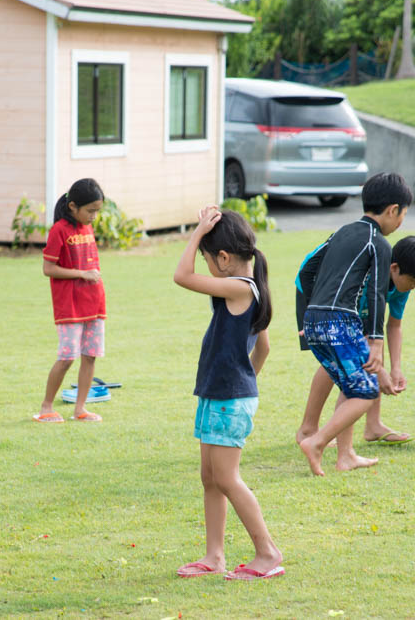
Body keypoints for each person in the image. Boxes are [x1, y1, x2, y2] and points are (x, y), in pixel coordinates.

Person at [173, 207, 283, 581]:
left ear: (222, 257)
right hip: (220, 394)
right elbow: (263, 349)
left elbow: (181, 276)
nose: (204, 264)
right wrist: (244, 383)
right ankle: (214, 556)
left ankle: (267, 552)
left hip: (228, 399)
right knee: (211, 477)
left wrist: (198, 231)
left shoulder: (240, 288)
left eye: (207, 256)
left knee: (227, 477)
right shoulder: (249, 289)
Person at [297, 173, 413, 476]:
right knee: (365, 390)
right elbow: (376, 294)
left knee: (351, 385)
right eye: (403, 214)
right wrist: (375, 342)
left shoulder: (342, 232)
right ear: (392, 210)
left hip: (316, 319)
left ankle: (346, 454)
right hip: (339, 321)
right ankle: (317, 442)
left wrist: (312, 312)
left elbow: (308, 269)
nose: (401, 220)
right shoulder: (379, 243)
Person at [295, 235, 415, 452]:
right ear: (394, 268)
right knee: (338, 357)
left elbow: (393, 326)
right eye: (413, 280)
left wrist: (396, 368)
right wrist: (380, 371)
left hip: (343, 308)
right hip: (316, 293)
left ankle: (373, 426)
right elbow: (356, 339)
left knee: (364, 355)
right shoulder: (366, 279)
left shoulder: (401, 286)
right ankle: (308, 428)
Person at [35, 178, 107, 423]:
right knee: (67, 357)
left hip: (94, 302)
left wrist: (90, 278)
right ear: (73, 206)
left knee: (90, 355)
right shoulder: (59, 231)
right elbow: (48, 268)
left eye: (97, 211)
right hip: (70, 306)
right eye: (90, 211)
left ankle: (80, 409)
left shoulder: (87, 227)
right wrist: (81, 274)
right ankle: (46, 407)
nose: (94, 216)